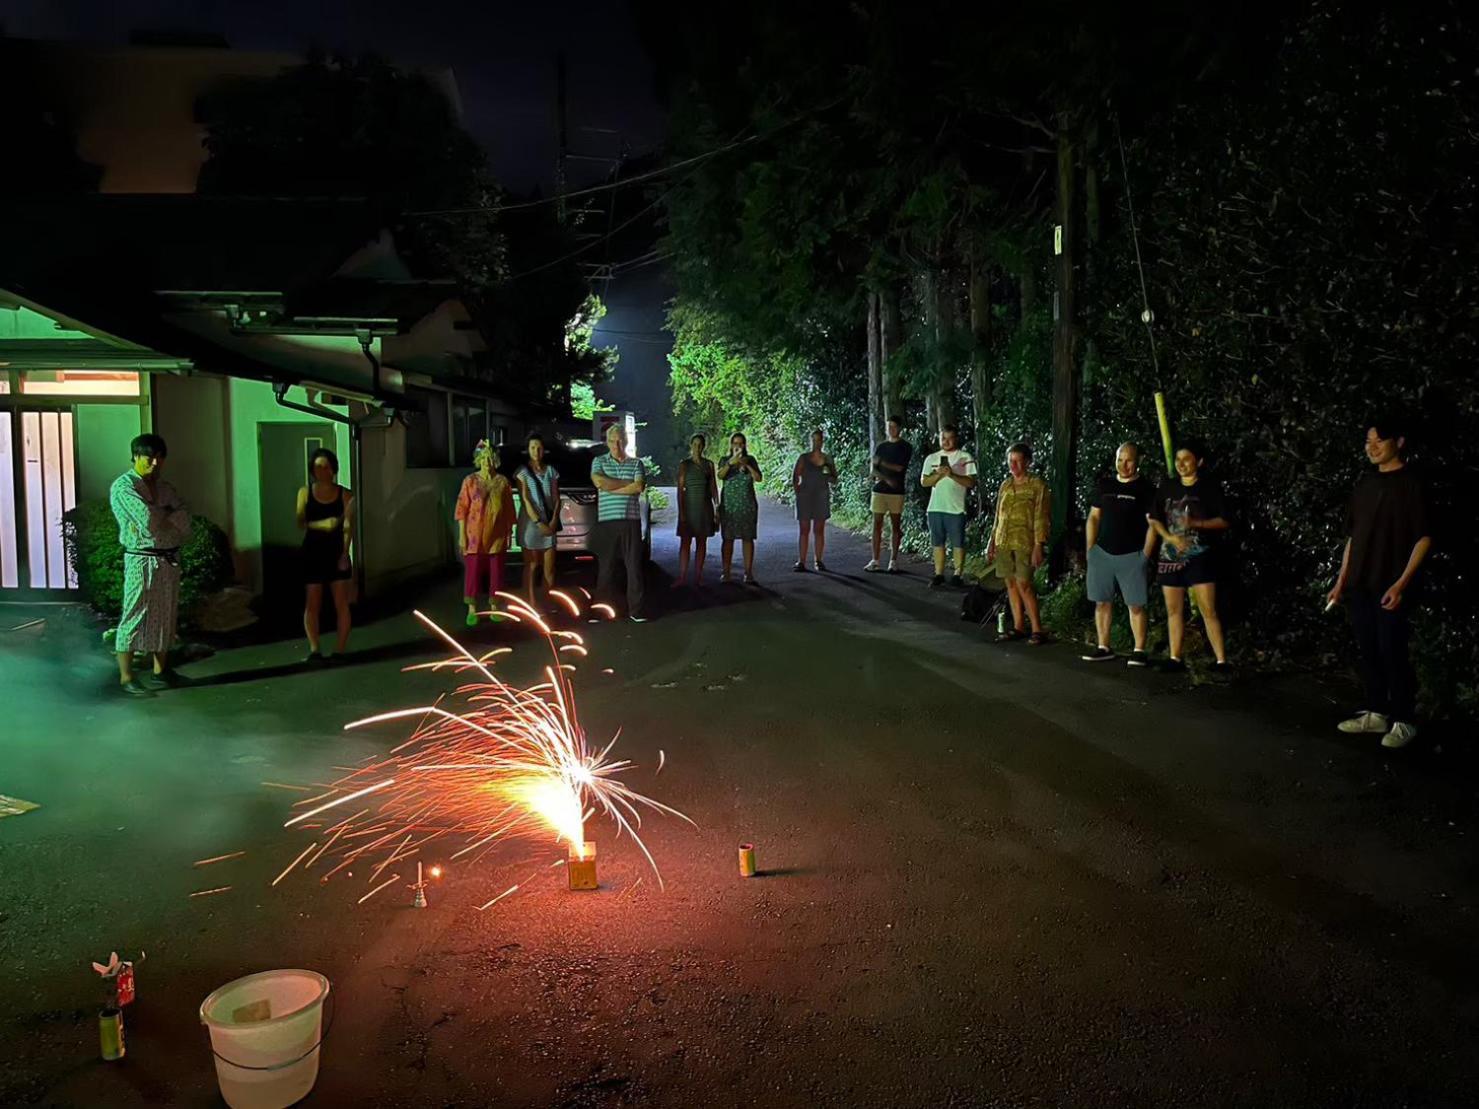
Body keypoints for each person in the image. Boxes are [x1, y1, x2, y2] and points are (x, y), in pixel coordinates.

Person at [1326, 417, 1432, 749]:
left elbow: (1424, 538)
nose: (1371, 447)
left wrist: (1401, 584)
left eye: (1379, 441)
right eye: (1367, 440)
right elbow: (1353, 538)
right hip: (1360, 582)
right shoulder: (1365, 484)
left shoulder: (1413, 484)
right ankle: (1376, 712)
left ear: (1398, 442)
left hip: (1391, 584)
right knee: (1368, 648)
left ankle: (1404, 719)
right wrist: (1341, 580)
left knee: (1392, 650)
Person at [109, 433, 190, 696]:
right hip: (141, 558)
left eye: (159, 458)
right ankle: (126, 676)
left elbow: (184, 518)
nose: (154, 463)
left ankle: (160, 671)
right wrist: (165, 514)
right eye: (149, 457)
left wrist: (164, 515)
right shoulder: (124, 486)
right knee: (135, 614)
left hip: (167, 557)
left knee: (165, 614)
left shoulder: (164, 487)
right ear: (135, 456)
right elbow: (146, 520)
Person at [1146, 439, 1230, 672]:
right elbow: (1153, 518)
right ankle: (1175, 658)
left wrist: (1196, 522)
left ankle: (1222, 660)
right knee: (1174, 609)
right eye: (1178, 459)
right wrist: (1169, 537)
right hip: (1170, 556)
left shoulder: (1209, 488)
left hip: (1201, 555)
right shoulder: (1167, 486)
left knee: (1208, 609)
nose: (1181, 464)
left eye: (1187, 459)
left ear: (1199, 462)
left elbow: (1223, 520)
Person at [1082, 442, 1158, 666]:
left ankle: (1139, 650)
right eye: (1119, 460)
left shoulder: (1146, 489)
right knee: (1101, 602)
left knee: (1135, 604)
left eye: (1129, 460)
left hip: (1132, 555)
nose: (1123, 465)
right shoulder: (1104, 485)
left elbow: (1153, 524)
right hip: (1102, 553)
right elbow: (1094, 518)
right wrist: (1090, 549)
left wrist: (1145, 555)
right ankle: (1103, 646)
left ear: (1138, 461)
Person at [986, 442, 1050, 644]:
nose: (1012, 465)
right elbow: (998, 515)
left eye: (1017, 461)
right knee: (1010, 583)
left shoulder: (1037, 485)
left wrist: (1039, 544)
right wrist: (991, 541)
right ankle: (1018, 626)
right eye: (1010, 461)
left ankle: (1038, 629)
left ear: (1027, 462)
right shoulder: (1005, 485)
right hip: (1004, 541)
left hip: (1025, 542)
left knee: (1024, 584)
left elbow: (1042, 516)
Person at [297, 448, 356, 662]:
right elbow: (300, 521)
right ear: (313, 470)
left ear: (333, 469)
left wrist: (345, 553)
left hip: (336, 551)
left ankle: (339, 650)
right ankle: (315, 649)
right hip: (312, 551)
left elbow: (349, 526)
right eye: (318, 466)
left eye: (326, 466)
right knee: (312, 602)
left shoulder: (345, 494)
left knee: (341, 601)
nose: (322, 470)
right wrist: (323, 524)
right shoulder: (305, 492)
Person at [590, 422, 649, 621]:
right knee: (606, 568)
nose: (617, 444)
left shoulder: (636, 463)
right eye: (613, 441)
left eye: (620, 440)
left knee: (633, 567)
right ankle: (601, 610)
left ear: (625, 440)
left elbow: (639, 487)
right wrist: (628, 484)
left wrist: (611, 486)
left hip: (630, 521)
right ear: (607, 442)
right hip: (607, 521)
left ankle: (636, 610)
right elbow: (599, 482)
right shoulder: (598, 461)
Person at [455, 440, 516, 628]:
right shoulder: (470, 481)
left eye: (490, 459)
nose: (486, 463)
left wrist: (509, 534)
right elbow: (462, 509)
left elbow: (508, 510)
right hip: (474, 534)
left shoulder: (502, 482)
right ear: (478, 460)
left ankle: (494, 604)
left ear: (494, 461)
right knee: (472, 571)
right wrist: (462, 535)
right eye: (483, 459)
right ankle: (472, 608)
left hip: (496, 533)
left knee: (497, 570)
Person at [920, 424, 977, 591]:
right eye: (943, 438)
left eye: (949, 438)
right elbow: (924, 482)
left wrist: (951, 474)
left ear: (955, 439)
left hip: (956, 508)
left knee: (957, 542)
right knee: (937, 541)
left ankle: (958, 574)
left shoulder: (965, 457)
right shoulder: (931, 458)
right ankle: (938, 573)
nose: (946, 441)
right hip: (935, 507)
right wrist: (939, 473)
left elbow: (971, 482)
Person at [515, 433, 561, 606]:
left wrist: (554, 519)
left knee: (549, 567)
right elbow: (525, 499)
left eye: (539, 447)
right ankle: (531, 604)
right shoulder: (522, 472)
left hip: (549, 523)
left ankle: (547, 601)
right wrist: (538, 522)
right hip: (530, 525)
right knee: (532, 566)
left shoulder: (551, 471)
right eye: (533, 447)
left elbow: (556, 497)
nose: (536, 451)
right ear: (528, 450)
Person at [866, 415, 912, 573]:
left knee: (895, 525)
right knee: (876, 524)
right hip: (880, 490)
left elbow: (900, 468)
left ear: (899, 428)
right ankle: (875, 560)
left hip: (897, 492)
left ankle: (893, 560)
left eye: (893, 426)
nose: (891, 429)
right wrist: (885, 478)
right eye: (888, 426)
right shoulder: (881, 446)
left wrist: (883, 464)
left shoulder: (905, 447)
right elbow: (873, 470)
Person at [717, 432, 763, 585]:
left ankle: (748, 572)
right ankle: (726, 571)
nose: (738, 446)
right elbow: (720, 475)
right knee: (727, 539)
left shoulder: (751, 460)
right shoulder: (725, 460)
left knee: (747, 538)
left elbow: (758, 478)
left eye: (741, 443)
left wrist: (746, 465)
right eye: (735, 443)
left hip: (747, 505)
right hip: (729, 506)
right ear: (731, 445)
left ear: (745, 445)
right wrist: (731, 462)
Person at [674, 434, 718, 587]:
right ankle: (682, 576)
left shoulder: (709, 465)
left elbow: (713, 487)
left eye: (700, 445)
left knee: (701, 542)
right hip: (689, 506)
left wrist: (717, 506)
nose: (697, 448)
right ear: (690, 445)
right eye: (695, 444)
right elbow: (680, 490)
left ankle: (698, 577)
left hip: (704, 508)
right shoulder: (684, 465)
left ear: (703, 447)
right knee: (685, 543)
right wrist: (682, 513)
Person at [792, 428, 838, 572]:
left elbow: (834, 479)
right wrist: (797, 490)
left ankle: (818, 560)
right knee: (804, 529)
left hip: (821, 495)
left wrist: (828, 472)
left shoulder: (827, 459)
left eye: (819, 440)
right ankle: (802, 561)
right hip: (805, 496)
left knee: (819, 530)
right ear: (810, 441)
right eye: (814, 440)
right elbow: (795, 475)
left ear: (822, 442)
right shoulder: (804, 458)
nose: (816, 443)